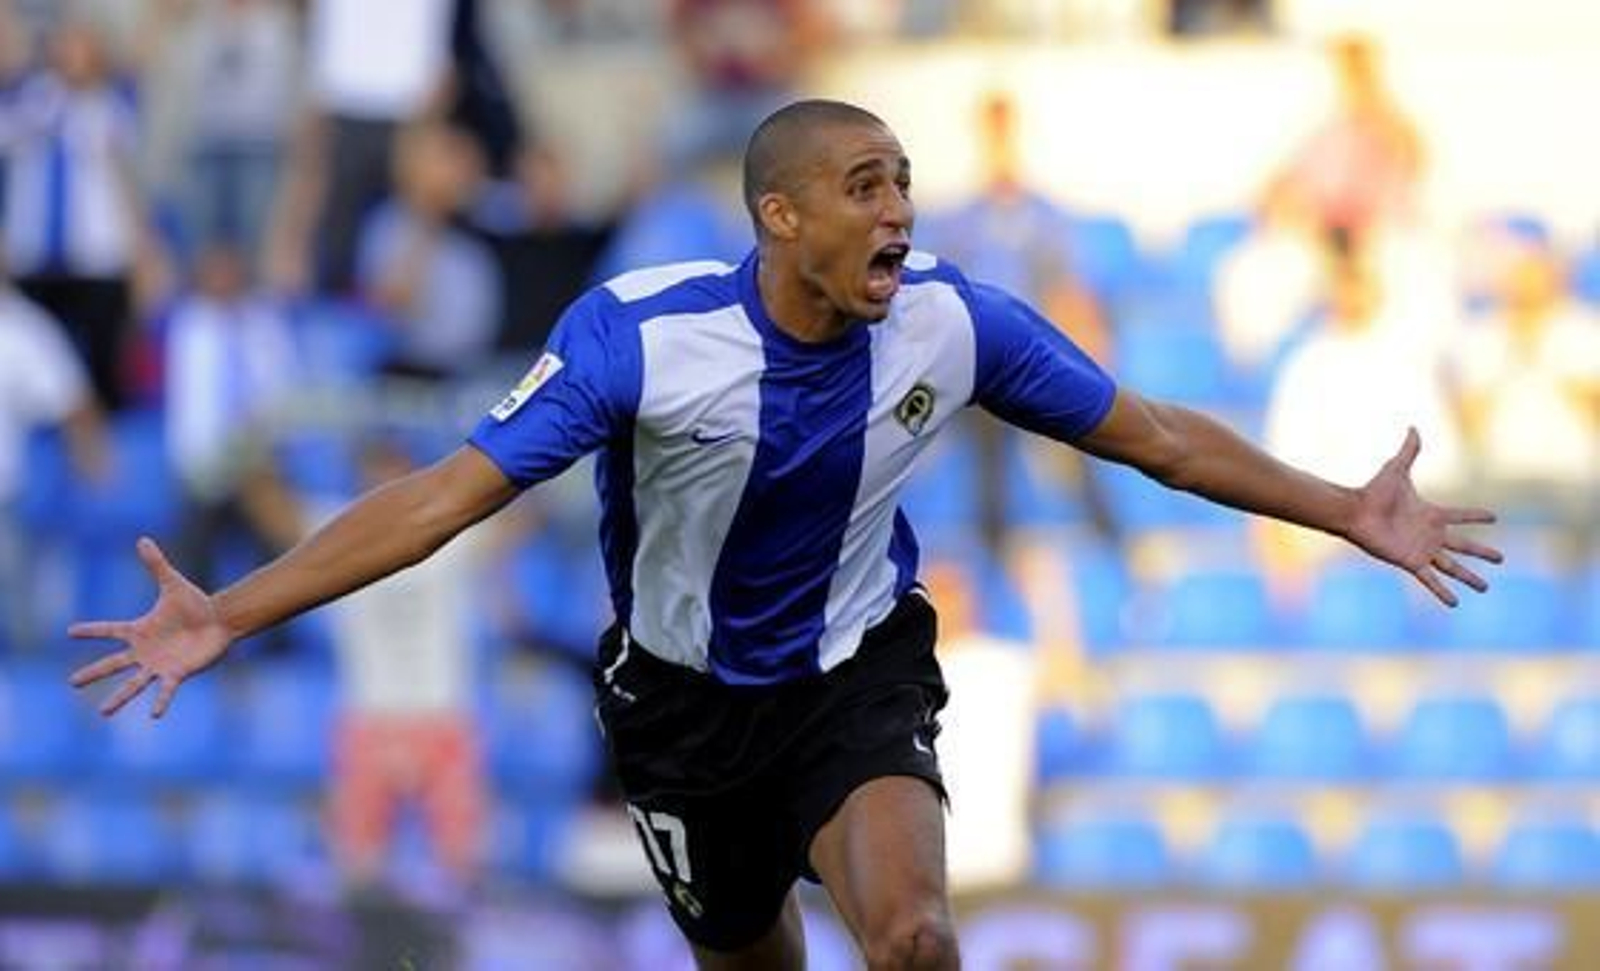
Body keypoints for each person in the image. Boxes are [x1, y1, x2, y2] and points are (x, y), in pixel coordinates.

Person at [69, 99, 1502, 969]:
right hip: (681, 710)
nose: (900, 211)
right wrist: (234, 611)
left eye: (905, 184)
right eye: (866, 186)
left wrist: (1344, 507)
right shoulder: (641, 340)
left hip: (854, 676)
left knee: (917, 940)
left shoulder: (953, 318)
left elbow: (1160, 438)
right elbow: (445, 495)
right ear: (781, 216)